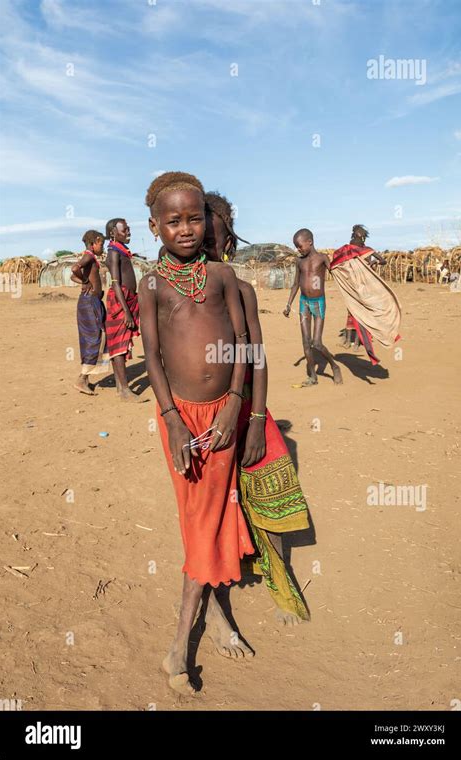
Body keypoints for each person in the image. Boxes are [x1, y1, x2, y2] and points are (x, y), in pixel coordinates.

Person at [139, 172, 255, 695]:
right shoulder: (152, 284)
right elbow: (152, 357)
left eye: (194, 218)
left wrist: (235, 404)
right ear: (154, 226)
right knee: (198, 520)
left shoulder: (222, 275)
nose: (186, 229)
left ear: (206, 221)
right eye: (173, 221)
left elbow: (245, 342)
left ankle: (180, 647)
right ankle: (194, 636)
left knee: (211, 516)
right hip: (182, 420)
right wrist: (170, 420)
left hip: (222, 415)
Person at [205, 191, 310, 627]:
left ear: (229, 239)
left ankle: (279, 576)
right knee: (210, 509)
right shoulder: (170, 291)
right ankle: (212, 601)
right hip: (201, 416)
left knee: (269, 482)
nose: (207, 245)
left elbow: (257, 360)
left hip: (247, 407)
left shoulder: (242, 290)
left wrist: (256, 420)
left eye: (216, 235)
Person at [331, 225, 400, 365]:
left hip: (360, 288)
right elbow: (383, 260)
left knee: (358, 312)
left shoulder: (356, 250)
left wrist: (371, 263)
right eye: (362, 236)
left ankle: (354, 342)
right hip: (357, 288)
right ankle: (353, 342)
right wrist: (372, 263)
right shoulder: (354, 250)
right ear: (357, 235)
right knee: (356, 312)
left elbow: (382, 261)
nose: (363, 239)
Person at [283, 228, 343, 385]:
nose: (298, 249)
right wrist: (288, 304)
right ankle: (313, 377)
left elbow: (336, 273)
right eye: (296, 247)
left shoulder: (322, 258)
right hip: (304, 303)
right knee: (305, 342)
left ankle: (334, 366)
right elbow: (296, 284)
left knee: (316, 343)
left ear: (310, 242)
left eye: (300, 246)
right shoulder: (299, 261)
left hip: (318, 303)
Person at [105, 218, 140, 400]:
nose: (128, 232)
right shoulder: (113, 253)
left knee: (122, 343)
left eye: (128, 229)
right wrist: (126, 311)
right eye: (124, 230)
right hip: (121, 301)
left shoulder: (120, 251)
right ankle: (125, 390)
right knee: (119, 344)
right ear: (113, 233)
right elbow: (116, 283)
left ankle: (120, 386)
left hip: (128, 299)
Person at [71, 230, 109, 394]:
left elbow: (73, 277)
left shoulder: (91, 258)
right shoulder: (88, 256)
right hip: (89, 302)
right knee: (94, 338)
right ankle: (82, 379)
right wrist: (86, 281)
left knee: (95, 337)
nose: (103, 247)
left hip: (92, 301)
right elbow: (74, 270)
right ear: (96, 241)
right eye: (102, 244)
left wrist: (84, 281)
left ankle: (85, 378)